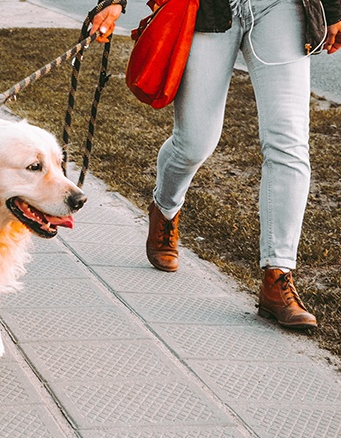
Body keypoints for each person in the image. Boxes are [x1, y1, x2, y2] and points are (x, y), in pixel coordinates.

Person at [91, 0, 341, 329]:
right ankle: (165, 206)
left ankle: (277, 275)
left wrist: (334, 10)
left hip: (281, 8)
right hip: (210, 8)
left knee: (289, 143)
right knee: (194, 142)